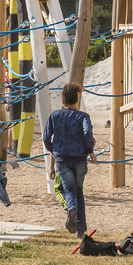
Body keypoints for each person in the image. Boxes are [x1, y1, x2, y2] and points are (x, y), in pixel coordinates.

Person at [44, 82, 95, 236]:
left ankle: (71, 209)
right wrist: (89, 150)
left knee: (69, 190)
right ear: (76, 101)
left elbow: (46, 138)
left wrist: (55, 150)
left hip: (62, 158)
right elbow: (87, 134)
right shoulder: (83, 117)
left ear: (63, 101)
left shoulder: (54, 116)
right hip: (79, 157)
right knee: (79, 190)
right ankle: (80, 230)